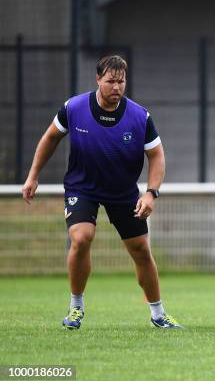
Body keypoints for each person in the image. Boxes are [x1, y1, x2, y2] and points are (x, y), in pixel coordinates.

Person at [21, 55, 182, 330]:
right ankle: (76, 307)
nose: (117, 87)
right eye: (110, 81)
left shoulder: (139, 116)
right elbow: (50, 137)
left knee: (141, 250)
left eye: (121, 81)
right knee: (81, 238)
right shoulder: (74, 108)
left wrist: (151, 193)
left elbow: (156, 155)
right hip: (82, 187)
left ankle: (158, 314)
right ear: (98, 80)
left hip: (123, 191)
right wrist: (32, 175)